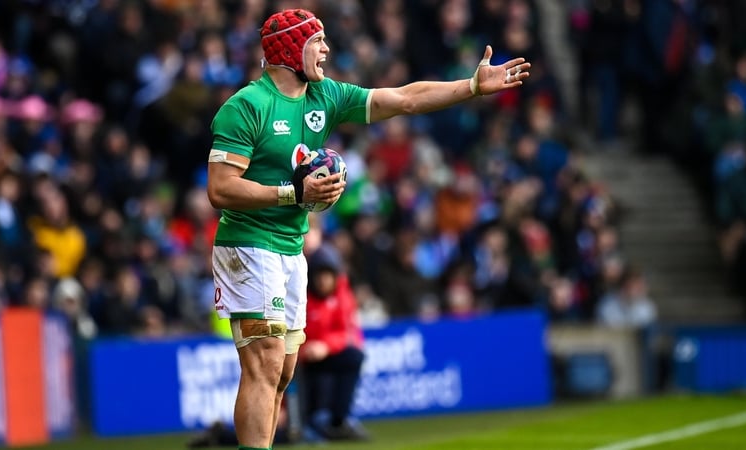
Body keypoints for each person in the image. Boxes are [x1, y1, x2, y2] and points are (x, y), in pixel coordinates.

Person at [206, 8, 531, 450]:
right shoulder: (246, 106)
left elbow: (405, 99)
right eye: (316, 41)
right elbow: (221, 189)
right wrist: (292, 195)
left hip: (289, 245)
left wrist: (471, 87)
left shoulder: (325, 95)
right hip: (248, 245)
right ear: (288, 50)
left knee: (281, 372)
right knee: (262, 366)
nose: (326, 49)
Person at [300, 242, 368, 441]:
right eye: (319, 275)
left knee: (354, 357)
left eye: (327, 275)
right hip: (300, 356)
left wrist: (325, 346)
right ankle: (304, 423)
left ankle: (339, 421)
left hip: (325, 352)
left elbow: (344, 331)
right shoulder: (301, 295)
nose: (323, 281)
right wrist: (305, 348)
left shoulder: (343, 294)